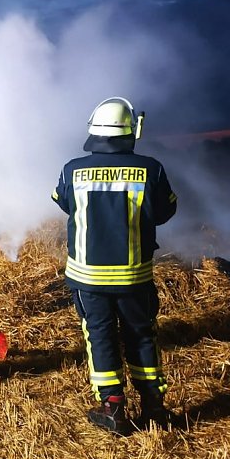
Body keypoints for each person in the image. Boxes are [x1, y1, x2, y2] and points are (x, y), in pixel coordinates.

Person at [52, 97, 177, 434]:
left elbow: (64, 202)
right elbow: (165, 212)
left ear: (94, 130)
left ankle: (113, 407)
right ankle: (154, 406)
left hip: (87, 277)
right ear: (130, 131)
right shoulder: (151, 169)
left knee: (100, 335)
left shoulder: (71, 169)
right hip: (134, 276)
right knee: (142, 335)